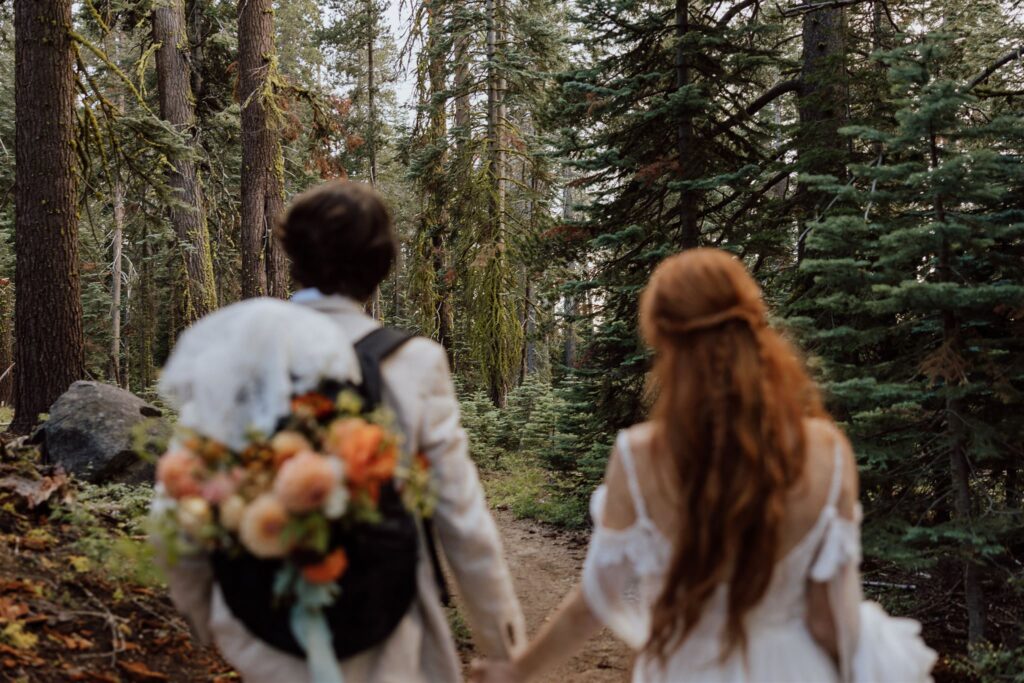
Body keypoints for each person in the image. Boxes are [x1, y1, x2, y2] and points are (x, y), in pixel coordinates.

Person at [471, 248, 935, 683]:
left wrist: (517, 671)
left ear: (663, 339)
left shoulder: (638, 457)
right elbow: (828, 620)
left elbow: (596, 601)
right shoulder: (827, 452)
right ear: (755, 326)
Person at [159, 180, 526, 682]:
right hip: (386, 622)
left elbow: (181, 498)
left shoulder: (244, 357)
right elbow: (462, 518)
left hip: (264, 621)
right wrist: (503, 647)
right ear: (380, 266)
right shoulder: (414, 362)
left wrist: (209, 616)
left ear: (295, 257)